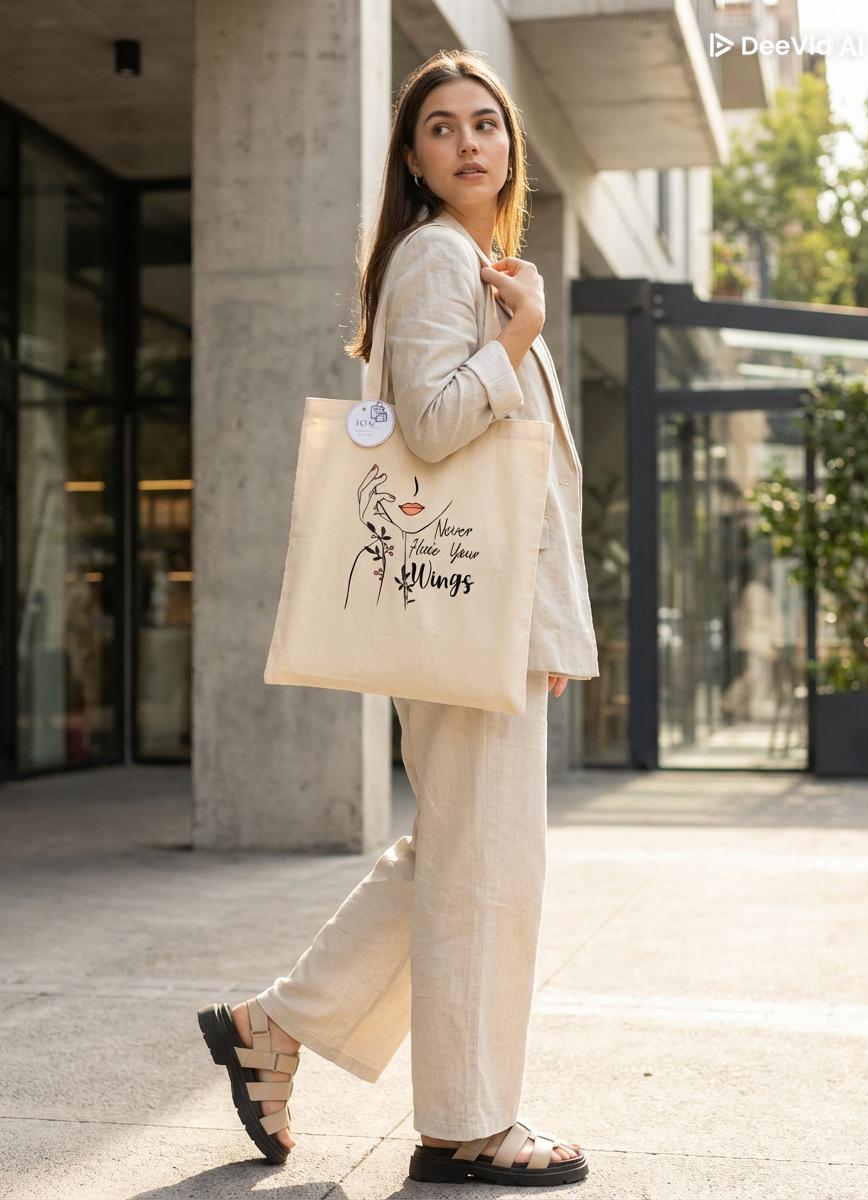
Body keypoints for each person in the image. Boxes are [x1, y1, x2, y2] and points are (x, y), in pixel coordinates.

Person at [197, 48, 598, 1187]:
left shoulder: (476, 261)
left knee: (459, 856)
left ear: (510, 145)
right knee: (484, 874)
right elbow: (429, 425)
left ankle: (272, 1026)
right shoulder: (436, 258)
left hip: (490, 621)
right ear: (413, 159)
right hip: (467, 616)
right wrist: (515, 337)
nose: (469, 142)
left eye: (486, 123)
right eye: (442, 127)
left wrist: (543, 629)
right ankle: (465, 1124)